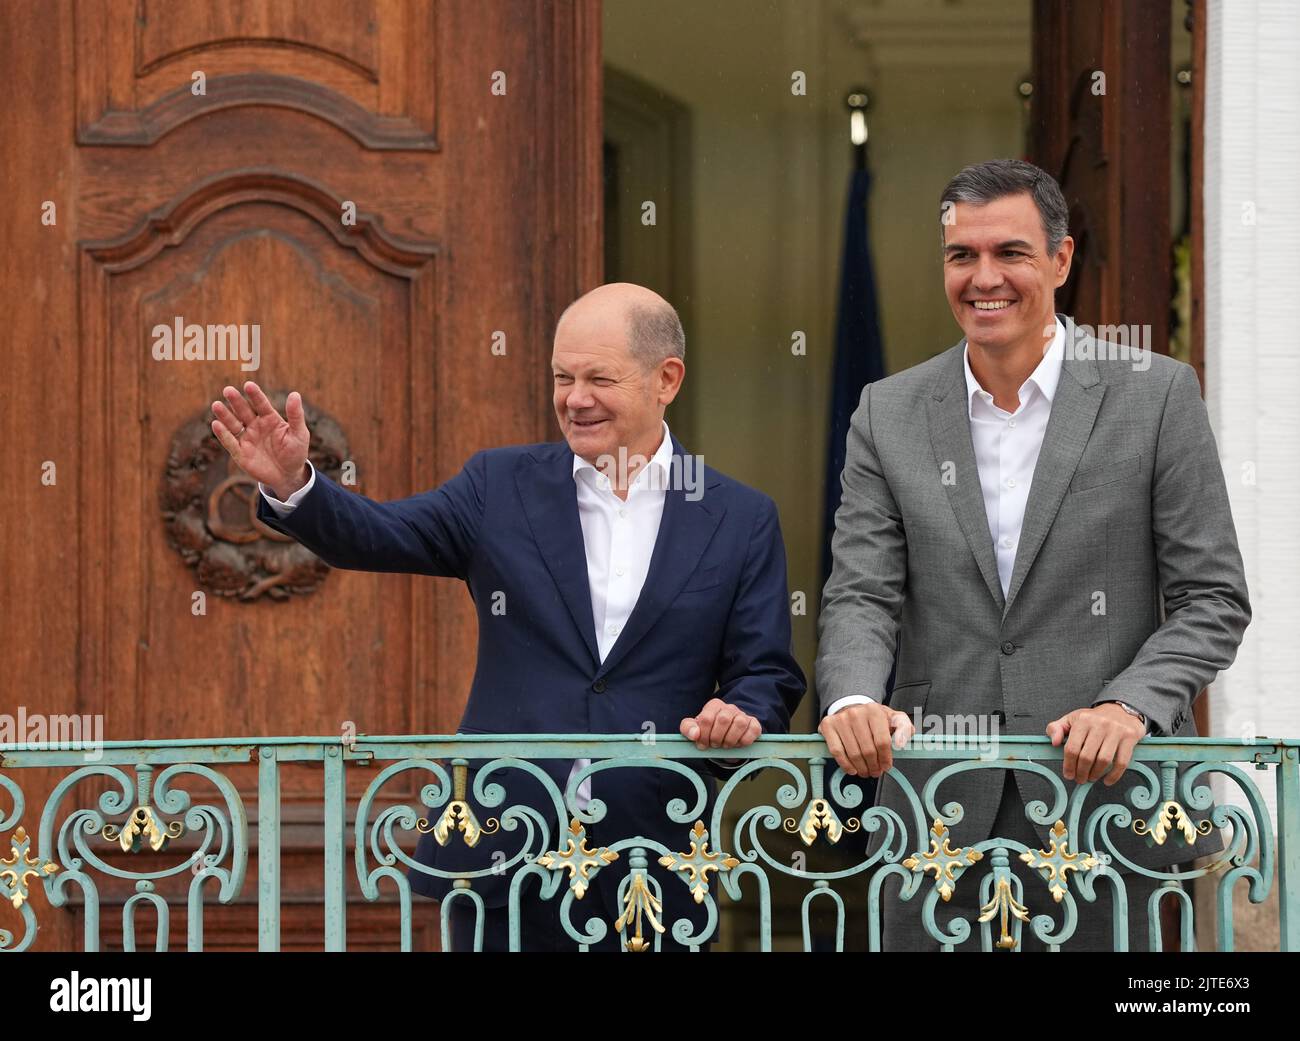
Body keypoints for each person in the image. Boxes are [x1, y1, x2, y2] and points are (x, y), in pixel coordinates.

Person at [211, 282, 805, 951]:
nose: (573, 398)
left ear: (667, 379)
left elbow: (766, 673)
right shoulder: (499, 485)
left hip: (655, 861)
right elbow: (377, 533)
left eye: (598, 378)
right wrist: (295, 486)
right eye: (561, 377)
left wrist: (740, 712)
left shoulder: (740, 516)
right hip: (500, 855)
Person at [815, 159, 1250, 951]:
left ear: (1060, 260)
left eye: (1010, 253)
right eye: (962, 256)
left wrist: (1128, 704)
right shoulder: (887, 411)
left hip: (1110, 807)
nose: (985, 278)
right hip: (934, 813)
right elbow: (861, 595)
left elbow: (1212, 598)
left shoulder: (1156, 395)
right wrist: (849, 700)